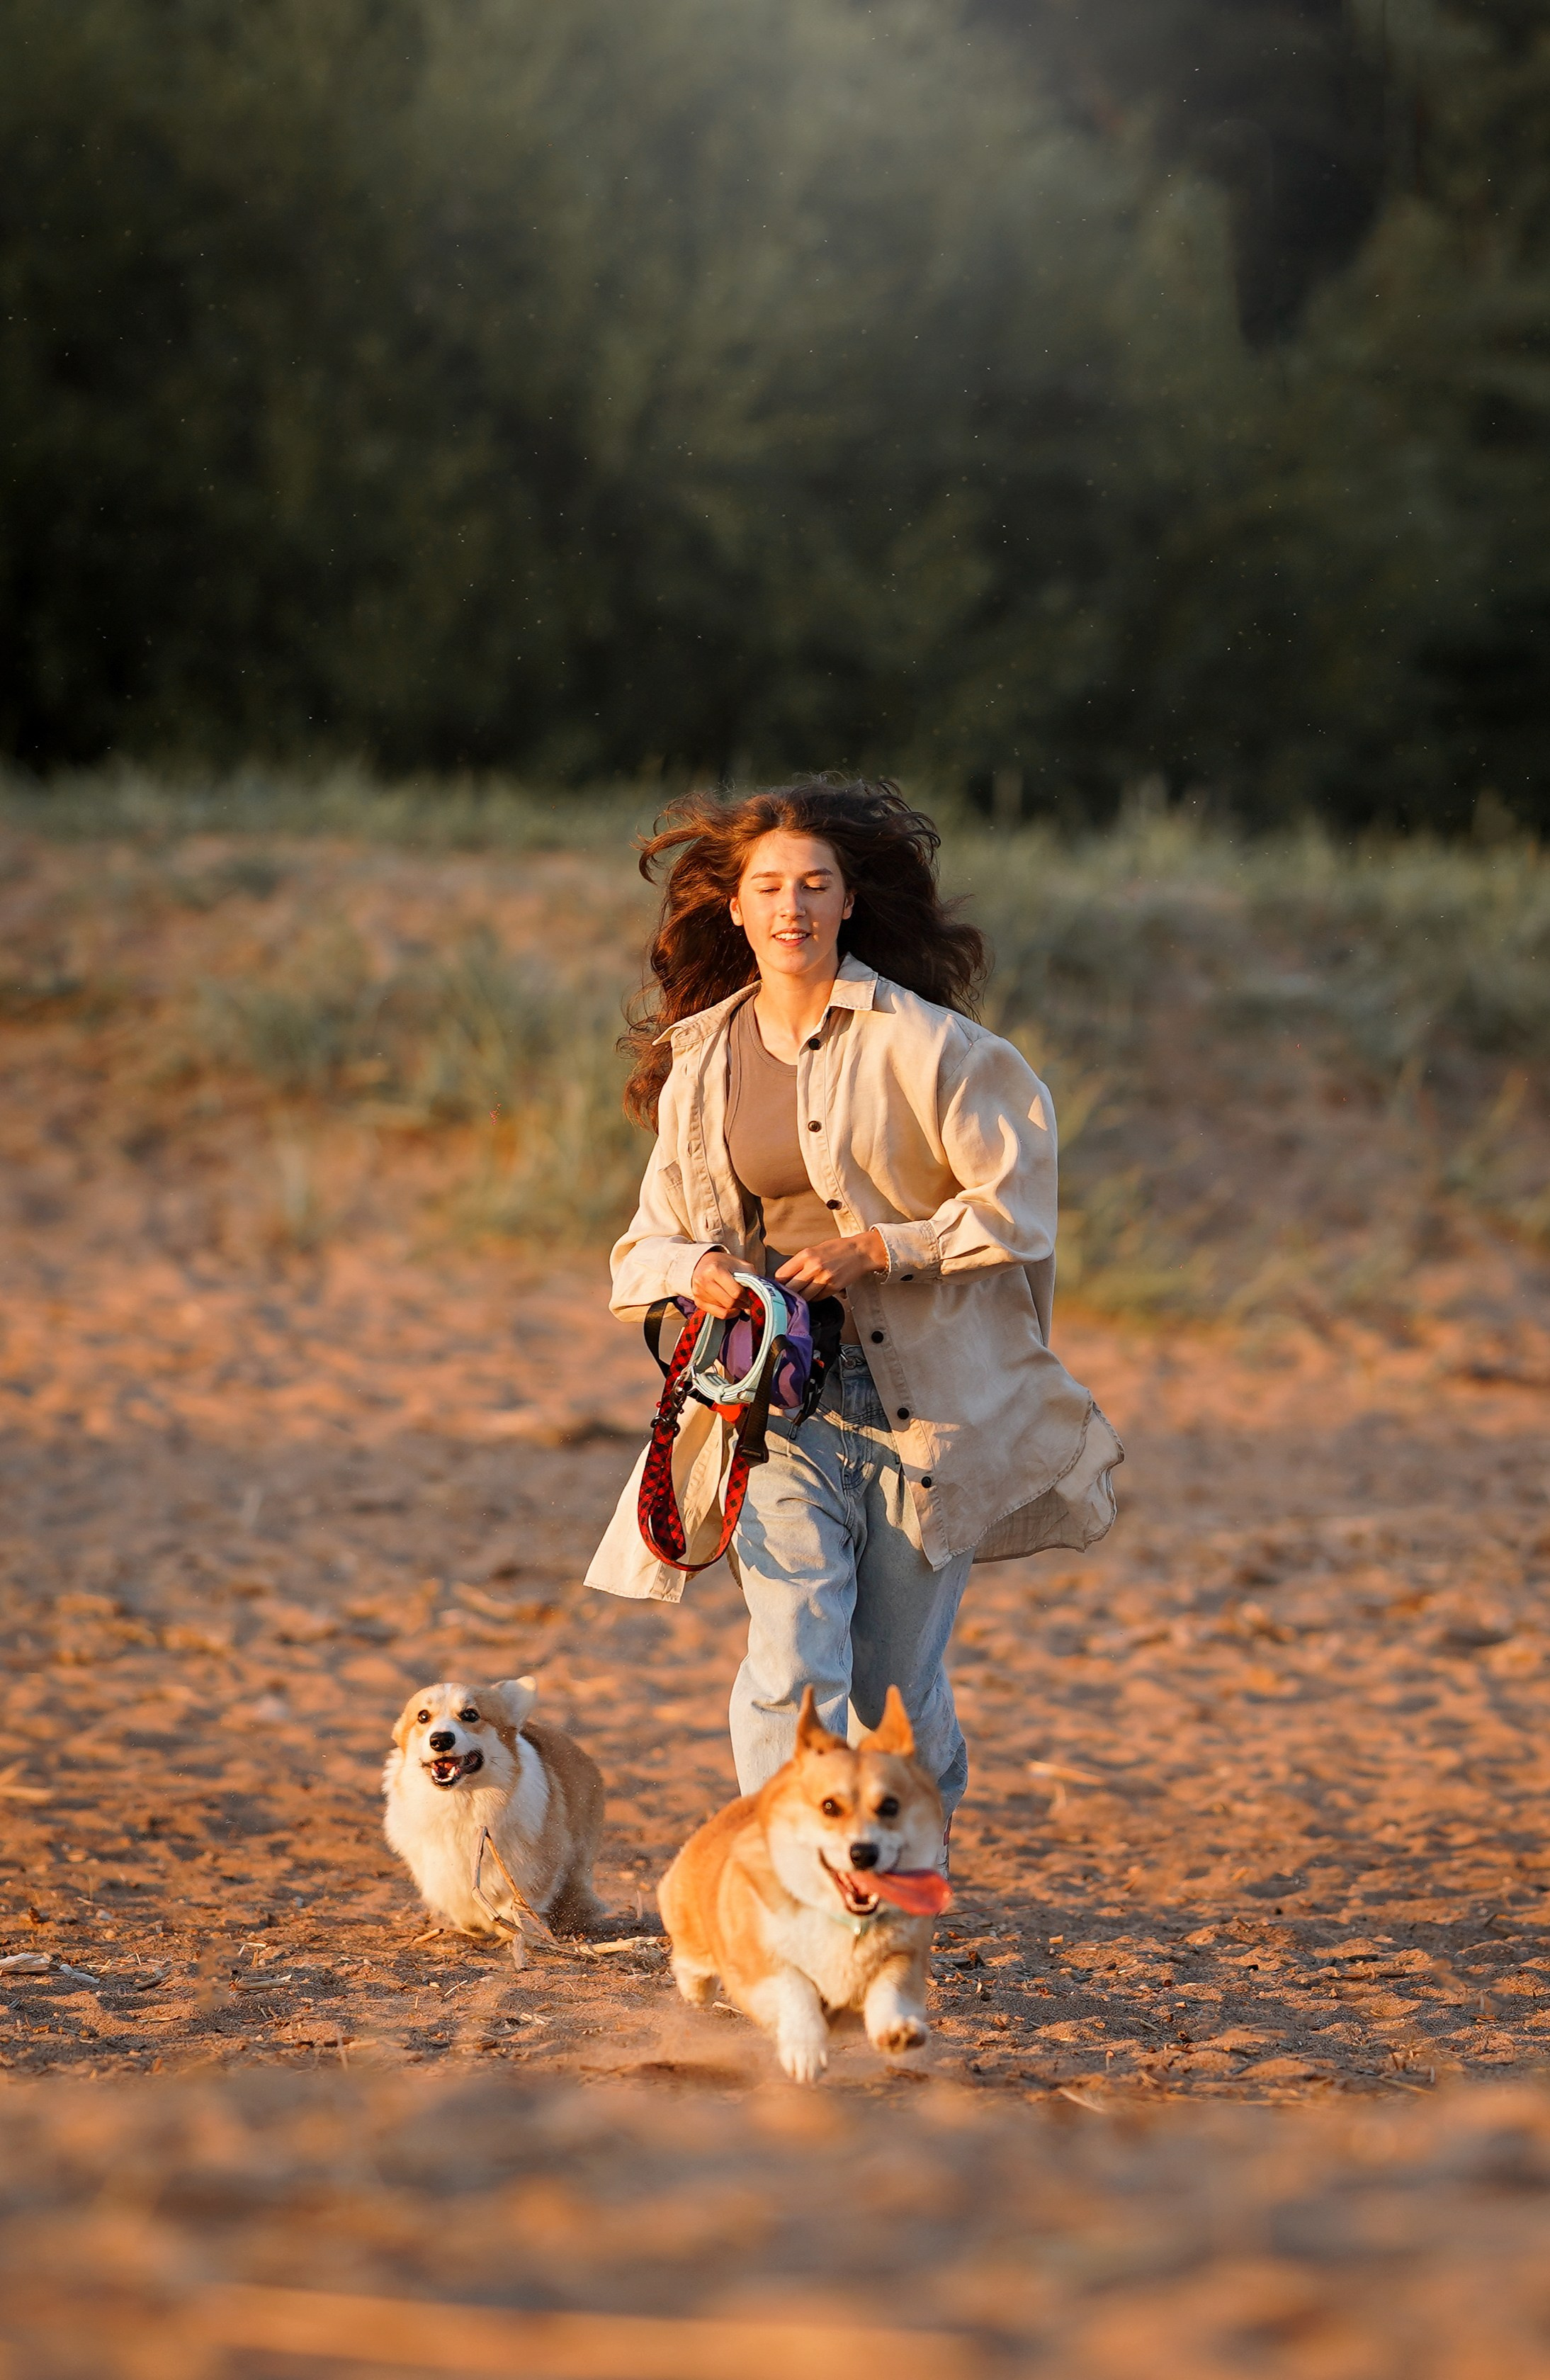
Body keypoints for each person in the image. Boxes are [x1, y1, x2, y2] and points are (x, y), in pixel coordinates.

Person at [586, 779, 1120, 1839]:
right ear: (733, 907)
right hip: (771, 1401)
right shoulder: (701, 1061)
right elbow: (641, 1244)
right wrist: (697, 1268)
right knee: (790, 1653)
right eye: (770, 887)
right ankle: (792, 1879)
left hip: (927, 1402)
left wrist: (885, 1247)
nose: (792, 907)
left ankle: (907, 1862)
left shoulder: (935, 1049)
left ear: (846, 903)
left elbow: (1018, 1210)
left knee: (891, 1692)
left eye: (815, 885)